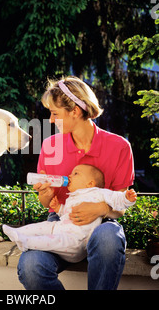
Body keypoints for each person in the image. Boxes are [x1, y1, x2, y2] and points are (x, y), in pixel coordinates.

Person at [17, 76, 135, 290]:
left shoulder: (119, 147)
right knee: (31, 265)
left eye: (55, 113)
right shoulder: (50, 146)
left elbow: (121, 206)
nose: (51, 121)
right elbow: (48, 204)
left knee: (109, 237)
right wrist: (45, 196)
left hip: (101, 224)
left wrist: (100, 208)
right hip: (62, 222)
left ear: (75, 111)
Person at [3, 164, 137, 263]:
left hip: (75, 241)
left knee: (53, 241)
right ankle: (19, 232)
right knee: (45, 226)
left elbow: (117, 199)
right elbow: (66, 215)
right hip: (61, 228)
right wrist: (58, 209)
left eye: (75, 174)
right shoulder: (72, 196)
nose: (69, 176)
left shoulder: (98, 193)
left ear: (90, 183)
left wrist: (127, 198)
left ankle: (27, 242)